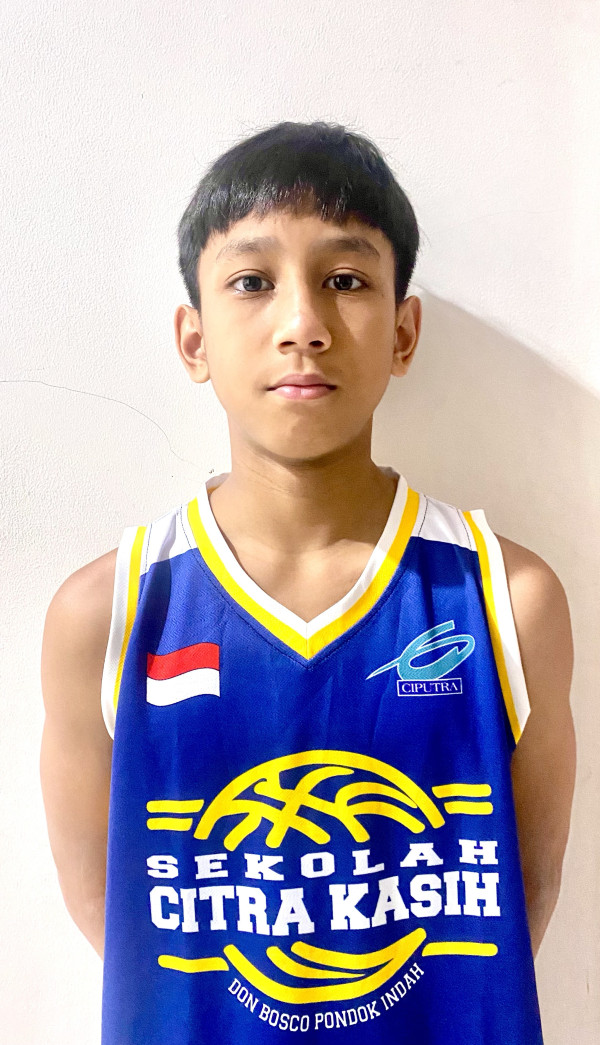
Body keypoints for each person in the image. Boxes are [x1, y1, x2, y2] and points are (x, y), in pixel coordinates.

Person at [40, 120, 576, 1044]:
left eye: (346, 279)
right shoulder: (105, 614)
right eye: (253, 281)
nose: (303, 325)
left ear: (403, 332)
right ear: (194, 339)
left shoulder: (507, 600)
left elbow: (519, 896)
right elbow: (116, 911)